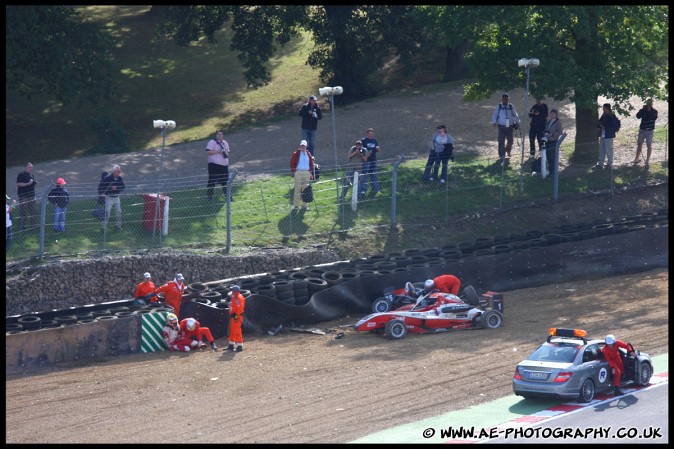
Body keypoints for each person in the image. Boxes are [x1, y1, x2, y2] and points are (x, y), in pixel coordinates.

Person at [490, 93, 521, 161]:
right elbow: (494, 115)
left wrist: (518, 122)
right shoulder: (499, 106)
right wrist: (494, 122)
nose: (505, 100)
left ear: (508, 99)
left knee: (510, 140)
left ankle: (507, 149)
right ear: (502, 99)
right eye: (504, 99)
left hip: (509, 125)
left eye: (506, 99)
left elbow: (515, 114)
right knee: (501, 141)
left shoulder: (511, 106)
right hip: (501, 125)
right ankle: (501, 155)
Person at [205, 129, 233, 202]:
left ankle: (228, 197)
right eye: (218, 134)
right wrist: (220, 152)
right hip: (214, 165)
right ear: (216, 135)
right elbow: (208, 152)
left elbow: (228, 152)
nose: (219, 136)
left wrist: (226, 153)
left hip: (224, 165)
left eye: (221, 134)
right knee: (212, 181)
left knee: (225, 181)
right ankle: (209, 197)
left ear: (223, 135)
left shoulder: (225, 142)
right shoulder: (212, 142)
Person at [594, 103, 621, 170]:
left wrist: (605, 128)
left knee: (608, 150)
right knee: (601, 149)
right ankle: (601, 163)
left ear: (607, 108)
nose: (603, 109)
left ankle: (609, 164)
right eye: (603, 108)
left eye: (604, 108)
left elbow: (614, 126)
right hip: (602, 135)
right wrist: (601, 126)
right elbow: (599, 123)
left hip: (609, 135)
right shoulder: (604, 115)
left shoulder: (612, 116)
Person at [289, 140, 315, 210]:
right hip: (298, 172)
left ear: (306, 146)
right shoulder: (296, 153)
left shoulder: (308, 154)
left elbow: (311, 163)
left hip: (307, 172)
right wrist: (294, 172)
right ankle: (296, 205)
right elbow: (292, 163)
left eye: (303, 146)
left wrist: (310, 172)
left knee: (306, 189)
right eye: (301, 145)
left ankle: (305, 205)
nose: (302, 147)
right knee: (297, 189)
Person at [98, 165, 125, 231]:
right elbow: (100, 187)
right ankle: (103, 228)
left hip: (116, 197)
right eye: (118, 171)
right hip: (109, 197)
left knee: (119, 211)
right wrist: (103, 192)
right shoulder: (107, 178)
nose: (119, 173)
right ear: (114, 172)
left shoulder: (119, 178)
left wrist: (117, 188)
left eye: (120, 171)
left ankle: (118, 226)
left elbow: (123, 186)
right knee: (107, 212)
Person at [634, 99, 658, 166]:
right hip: (642, 129)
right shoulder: (643, 110)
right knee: (639, 144)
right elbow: (638, 116)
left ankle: (647, 159)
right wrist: (642, 110)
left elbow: (653, 118)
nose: (648, 105)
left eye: (649, 104)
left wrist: (647, 111)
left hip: (650, 130)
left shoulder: (654, 111)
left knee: (649, 144)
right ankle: (636, 158)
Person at [359, 128, 381, 197]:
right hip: (366, 161)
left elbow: (378, 149)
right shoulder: (363, 140)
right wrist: (364, 156)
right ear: (367, 134)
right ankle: (363, 190)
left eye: (372, 133)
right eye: (370, 133)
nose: (371, 135)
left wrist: (377, 149)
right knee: (365, 175)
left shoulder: (375, 141)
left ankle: (376, 189)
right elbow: (360, 149)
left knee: (374, 175)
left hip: (373, 160)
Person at [16, 162, 38, 230]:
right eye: (29, 167)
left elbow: (31, 183)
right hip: (23, 197)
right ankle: (22, 226)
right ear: (26, 167)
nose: (31, 168)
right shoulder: (21, 174)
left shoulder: (31, 175)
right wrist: (28, 184)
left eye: (32, 167)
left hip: (32, 196)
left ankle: (34, 225)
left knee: (34, 211)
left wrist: (34, 183)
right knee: (23, 212)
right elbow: (18, 184)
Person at [542, 109, 563, 175]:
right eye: (551, 114)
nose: (552, 115)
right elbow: (546, 129)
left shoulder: (558, 122)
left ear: (556, 114)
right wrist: (545, 133)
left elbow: (560, 132)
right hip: (548, 140)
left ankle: (554, 172)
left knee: (552, 157)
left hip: (553, 141)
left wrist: (552, 134)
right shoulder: (549, 121)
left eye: (553, 114)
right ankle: (550, 171)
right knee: (548, 157)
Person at [226, 285, 246, 352]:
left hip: (236, 316)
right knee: (232, 330)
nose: (231, 291)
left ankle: (239, 346)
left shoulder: (238, 297)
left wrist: (236, 316)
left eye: (232, 290)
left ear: (234, 291)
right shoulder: (234, 296)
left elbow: (239, 308)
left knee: (237, 330)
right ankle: (231, 345)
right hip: (233, 316)